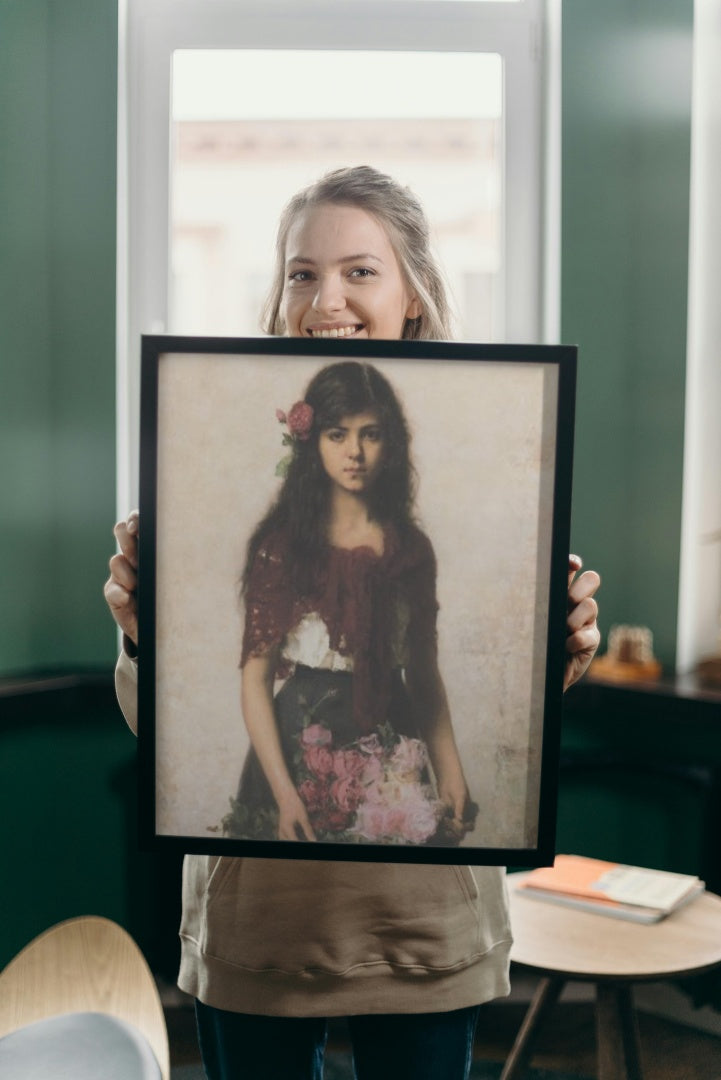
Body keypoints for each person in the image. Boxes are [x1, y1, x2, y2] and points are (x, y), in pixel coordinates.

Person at [105, 165, 601, 1080]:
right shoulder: (235, 507)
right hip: (262, 914)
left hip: (420, 915)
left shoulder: (467, 501)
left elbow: (440, 677)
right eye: (301, 272)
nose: (324, 297)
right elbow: (176, 717)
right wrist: (142, 637)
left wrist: (551, 660)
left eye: (359, 271)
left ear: (413, 292)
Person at [227, 359, 475, 848]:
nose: (355, 452)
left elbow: (424, 675)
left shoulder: (411, 550)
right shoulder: (282, 546)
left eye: (371, 434)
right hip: (297, 754)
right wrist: (284, 795)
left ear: (392, 442)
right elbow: (255, 679)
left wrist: (450, 770)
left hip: (391, 750)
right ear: (313, 440)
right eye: (337, 434)